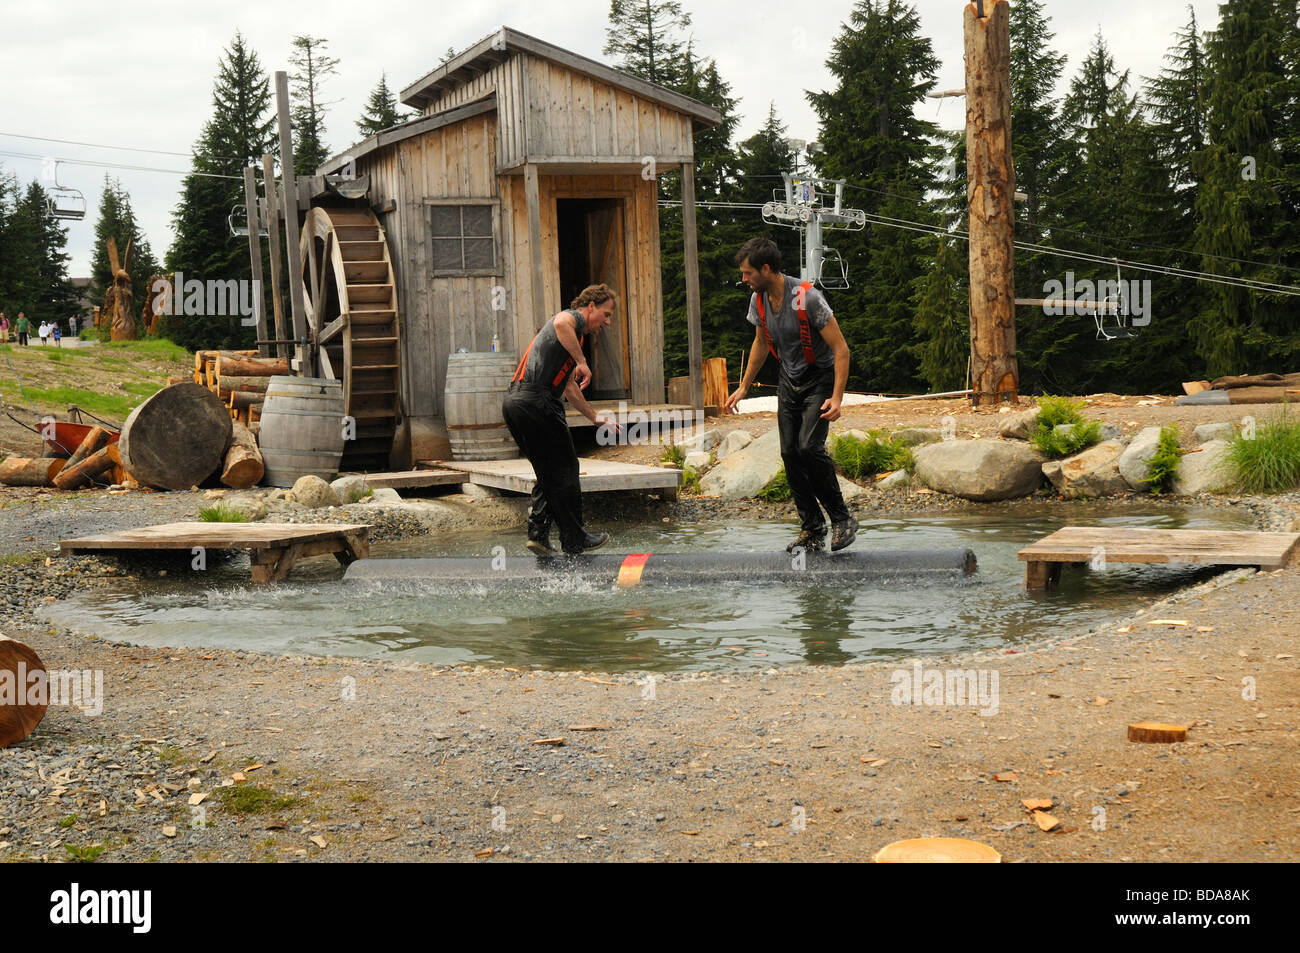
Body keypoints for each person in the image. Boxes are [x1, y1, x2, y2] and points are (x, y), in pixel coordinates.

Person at [724, 237, 858, 553]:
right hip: (790, 379)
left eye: (747, 273)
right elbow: (760, 343)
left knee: (808, 447)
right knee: (789, 452)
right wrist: (743, 386)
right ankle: (812, 529)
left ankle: (842, 520)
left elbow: (841, 350)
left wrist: (837, 398)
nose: (743, 279)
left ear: (766, 269)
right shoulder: (758, 300)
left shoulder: (808, 298)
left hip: (820, 379)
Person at [502, 284, 623, 556]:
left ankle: (539, 536)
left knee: (550, 470)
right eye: (606, 314)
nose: (608, 321)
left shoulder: (570, 341)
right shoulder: (573, 320)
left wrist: (594, 418)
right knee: (566, 467)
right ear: (590, 306)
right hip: (537, 401)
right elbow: (560, 321)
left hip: (516, 403)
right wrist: (582, 361)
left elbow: (569, 388)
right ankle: (574, 538)